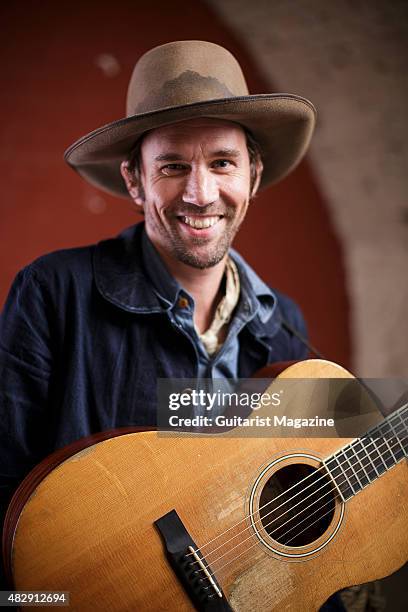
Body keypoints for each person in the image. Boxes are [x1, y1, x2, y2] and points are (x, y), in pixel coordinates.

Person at [1, 40, 346, 609]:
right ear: (135, 181)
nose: (200, 193)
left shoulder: (286, 325)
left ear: (253, 176)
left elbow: (300, 512)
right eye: (173, 166)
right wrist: (38, 603)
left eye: (222, 163)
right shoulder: (51, 293)